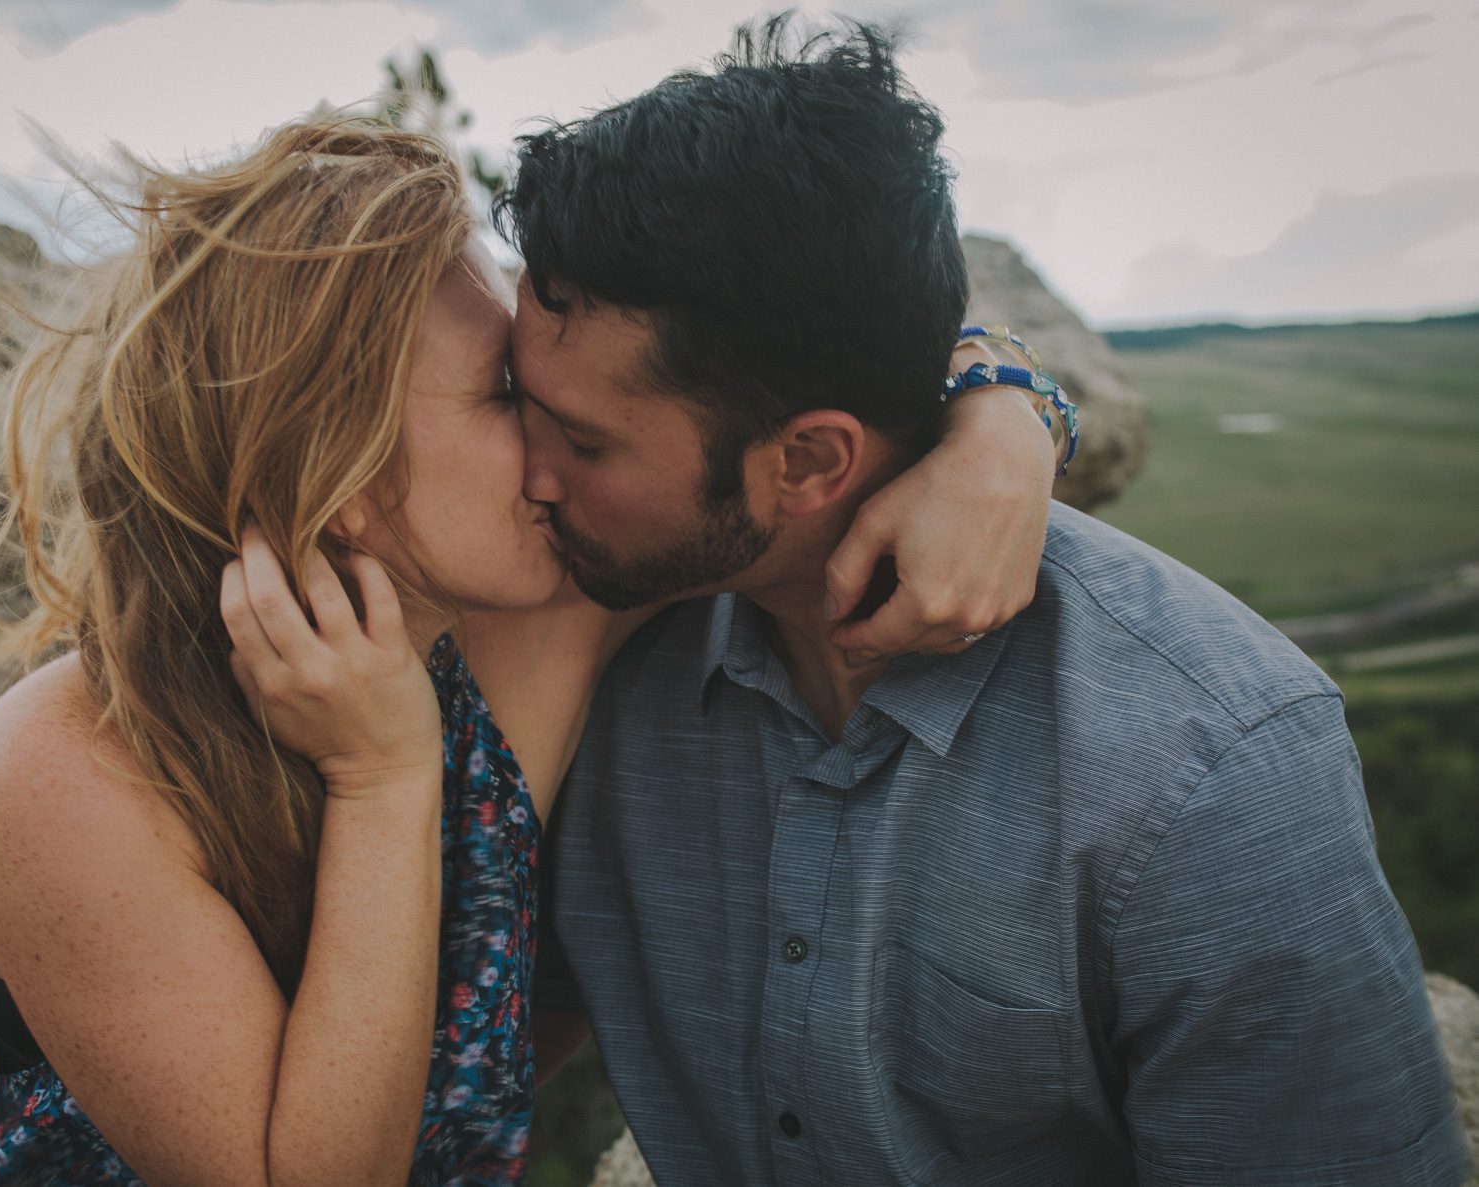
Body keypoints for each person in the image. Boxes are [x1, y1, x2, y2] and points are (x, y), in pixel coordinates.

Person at [229, 17, 1471, 1187]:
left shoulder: (1209, 776)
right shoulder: (593, 629)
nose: (529, 479)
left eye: (585, 442)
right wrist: (1007, 398)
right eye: (516, 401)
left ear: (810, 462)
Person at [0, 108, 1060, 1185]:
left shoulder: (531, 623)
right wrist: (380, 778)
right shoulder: (61, 771)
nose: (552, 439)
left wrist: (1003, 416)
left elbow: (796, 380)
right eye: (501, 394)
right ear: (339, 470)